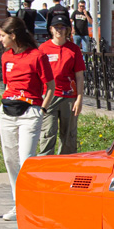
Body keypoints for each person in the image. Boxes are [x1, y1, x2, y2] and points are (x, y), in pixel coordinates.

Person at [0, 15, 55, 221]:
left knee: (26, 160)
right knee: (10, 159)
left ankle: (30, 204)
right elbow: (7, 85)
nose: (0, 39)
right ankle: (17, 204)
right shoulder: (6, 57)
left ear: (13, 35)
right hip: (8, 111)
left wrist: (42, 109)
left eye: (3, 35)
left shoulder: (37, 56)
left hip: (30, 111)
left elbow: (50, 86)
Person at [38, 11, 86, 155]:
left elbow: (79, 76)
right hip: (49, 97)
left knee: (69, 135)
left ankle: (66, 165)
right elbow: (38, 75)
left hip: (69, 97)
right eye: (56, 27)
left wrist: (79, 98)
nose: (59, 30)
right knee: (48, 132)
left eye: (62, 27)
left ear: (67, 30)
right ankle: (45, 165)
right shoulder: (43, 49)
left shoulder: (74, 49)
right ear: (51, 29)